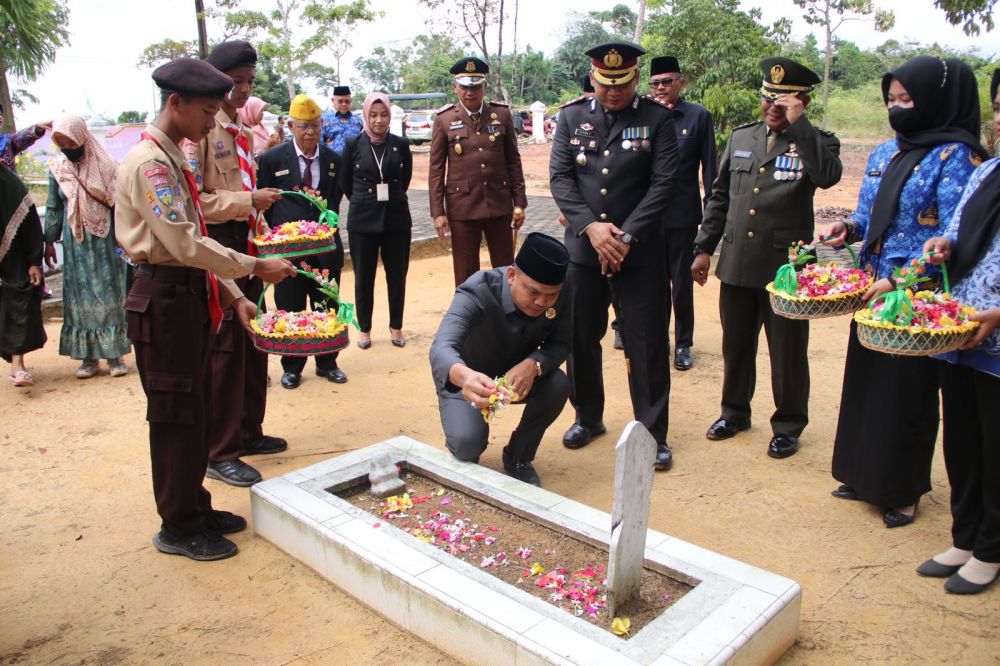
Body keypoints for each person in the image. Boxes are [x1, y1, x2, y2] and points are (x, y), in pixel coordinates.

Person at [116, 57, 295, 561]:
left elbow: (191, 248)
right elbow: (186, 243)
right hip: (164, 297)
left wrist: (235, 297)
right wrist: (254, 269)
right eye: (205, 111)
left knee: (195, 409)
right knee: (175, 414)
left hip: (186, 291)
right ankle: (178, 524)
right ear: (175, 103)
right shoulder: (151, 164)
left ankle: (195, 503)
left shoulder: (172, 158)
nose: (210, 122)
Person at [821, 56, 986, 527]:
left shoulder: (959, 159)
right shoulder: (883, 153)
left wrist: (902, 281)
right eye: (891, 100)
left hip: (915, 295)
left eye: (907, 99)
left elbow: (956, 238)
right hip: (871, 287)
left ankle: (902, 490)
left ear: (935, 100)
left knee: (908, 393)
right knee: (866, 382)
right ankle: (859, 473)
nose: (897, 109)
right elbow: (870, 215)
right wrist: (848, 228)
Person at [692, 57, 842, 460]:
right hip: (739, 260)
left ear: (802, 102)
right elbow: (720, 197)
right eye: (768, 99)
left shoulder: (818, 140)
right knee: (735, 345)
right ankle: (734, 413)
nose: (772, 108)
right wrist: (704, 247)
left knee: (788, 352)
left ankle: (789, 424)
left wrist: (800, 126)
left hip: (787, 270)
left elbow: (828, 176)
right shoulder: (742, 138)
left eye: (784, 102)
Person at [549, 41, 678, 470]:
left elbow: (665, 183)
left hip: (638, 255)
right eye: (605, 83)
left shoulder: (657, 119)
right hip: (584, 254)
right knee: (581, 338)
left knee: (646, 343)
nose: (613, 91)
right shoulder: (570, 117)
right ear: (593, 78)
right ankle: (588, 417)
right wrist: (592, 227)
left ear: (636, 78)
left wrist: (625, 237)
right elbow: (561, 178)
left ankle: (651, 433)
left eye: (622, 83)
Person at [919, 69, 1000, 593]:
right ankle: (964, 534)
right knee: (964, 437)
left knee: (997, 444)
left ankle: (992, 548)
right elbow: (961, 225)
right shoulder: (987, 170)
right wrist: (941, 245)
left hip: (997, 331)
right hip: (961, 326)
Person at [193, 40, 286, 488]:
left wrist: (260, 220)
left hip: (247, 240)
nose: (244, 90)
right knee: (227, 347)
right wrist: (248, 200)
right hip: (218, 244)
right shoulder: (204, 133)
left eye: (249, 81)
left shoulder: (243, 133)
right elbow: (199, 204)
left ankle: (250, 430)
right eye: (236, 82)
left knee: (254, 339)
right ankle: (220, 449)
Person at [430, 232, 572, 487]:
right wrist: (465, 377)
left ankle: (518, 456)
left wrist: (534, 364)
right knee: (466, 444)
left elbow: (562, 342)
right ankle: (468, 445)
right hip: (468, 381)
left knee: (558, 384)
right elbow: (442, 346)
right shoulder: (477, 290)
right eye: (534, 292)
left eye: (551, 295)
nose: (543, 302)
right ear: (511, 275)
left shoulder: (561, 291)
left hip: (517, 380)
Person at [258, 94, 347, 388]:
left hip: (325, 250)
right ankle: (292, 366)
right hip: (288, 253)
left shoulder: (334, 160)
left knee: (326, 305)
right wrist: (279, 237)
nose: (311, 132)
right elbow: (264, 203)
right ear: (291, 126)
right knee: (290, 306)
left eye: (316, 126)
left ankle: (327, 362)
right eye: (305, 126)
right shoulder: (272, 159)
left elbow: (336, 199)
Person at [428, 56, 528, 286]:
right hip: (462, 206)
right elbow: (436, 169)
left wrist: (519, 202)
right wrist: (438, 212)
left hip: (499, 203)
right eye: (464, 87)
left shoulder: (501, 115)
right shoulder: (444, 119)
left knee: (504, 269)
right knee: (465, 272)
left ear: (484, 87)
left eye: (475, 87)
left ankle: (505, 315)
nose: (469, 92)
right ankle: (469, 319)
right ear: (455, 87)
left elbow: (513, 160)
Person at [43, 115, 130, 379]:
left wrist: (125, 238)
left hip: (106, 242)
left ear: (82, 137)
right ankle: (89, 358)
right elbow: (52, 207)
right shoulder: (58, 169)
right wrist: (49, 241)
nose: (68, 149)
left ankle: (115, 355)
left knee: (110, 293)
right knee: (81, 296)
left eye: (71, 142)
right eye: (62, 144)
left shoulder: (107, 165)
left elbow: (122, 205)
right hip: (75, 245)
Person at [647, 56, 716, 371]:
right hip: (647, 218)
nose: (660, 88)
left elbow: (709, 171)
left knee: (681, 282)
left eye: (666, 81)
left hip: (682, 217)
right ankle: (657, 341)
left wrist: (709, 224)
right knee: (651, 283)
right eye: (655, 83)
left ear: (681, 82)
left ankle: (683, 343)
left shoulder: (698, 117)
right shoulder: (643, 116)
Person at [339, 92, 413, 349]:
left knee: (397, 275)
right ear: (365, 116)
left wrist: (391, 198)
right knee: (363, 277)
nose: (379, 120)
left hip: (396, 219)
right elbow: (345, 181)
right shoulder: (352, 144)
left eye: (383, 115)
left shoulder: (400, 145)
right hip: (362, 219)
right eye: (373, 115)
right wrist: (363, 200)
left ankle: (396, 327)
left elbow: (405, 180)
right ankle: (365, 329)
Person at [0, 164, 46, 387]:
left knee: (19, 299)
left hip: (14, 254)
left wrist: (34, 261)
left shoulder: (10, 184)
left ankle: (18, 365)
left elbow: (31, 224)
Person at [0, 105, 51, 173]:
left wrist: (37, 128)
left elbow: (22, 138)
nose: (0, 117)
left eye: (0, 114)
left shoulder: (7, 141)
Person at [322, 85, 363, 155]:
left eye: (347, 101)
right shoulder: (324, 120)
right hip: (332, 162)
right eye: (340, 101)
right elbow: (320, 144)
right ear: (333, 100)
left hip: (354, 162)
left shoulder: (357, 120)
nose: (344, 104)